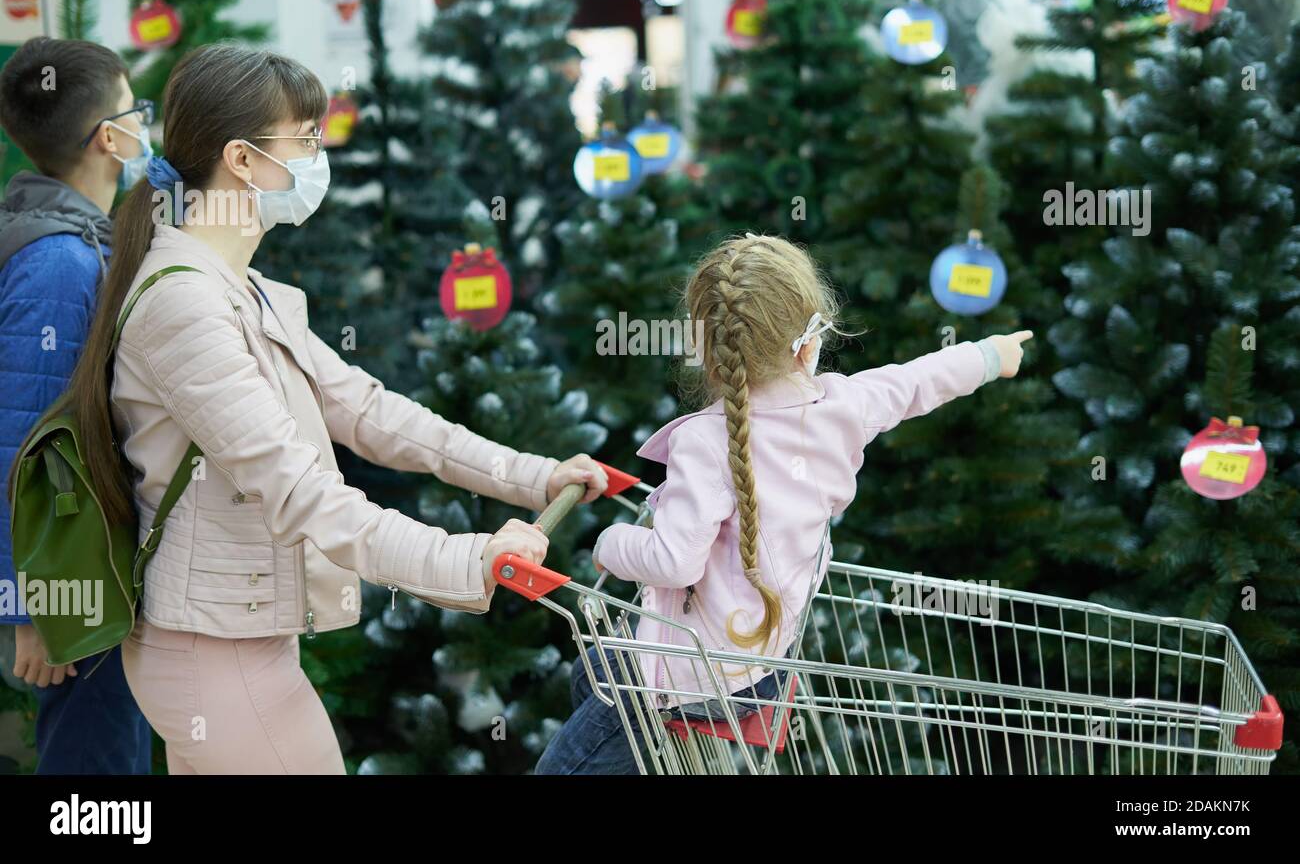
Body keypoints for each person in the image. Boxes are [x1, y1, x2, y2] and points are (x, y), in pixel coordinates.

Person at [43, 42, 607, 774]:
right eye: (305, 139)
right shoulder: (183, 303)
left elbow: (374, 414)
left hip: (234, 645)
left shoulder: (245, 289)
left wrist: (533, 476)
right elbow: (299, 490)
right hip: (216, 658)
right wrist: (468, 557)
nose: (319, 157)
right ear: (242, 160)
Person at [536, 233, 1032, 774]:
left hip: (683, 676)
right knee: (594, 670)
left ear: (707, 352)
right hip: (760, 668)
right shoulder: (845, 405)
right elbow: (916, 382)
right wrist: (990, 355)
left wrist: (609, 545)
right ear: (808, 341)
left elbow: (675, 561)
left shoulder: (706, 440)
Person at [0, 37, 154, 774]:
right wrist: (29, 611)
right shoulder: (59, 262)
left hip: (88, 560)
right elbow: (21, 442)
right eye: (135, 111)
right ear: (108, 137)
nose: (143, 125)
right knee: (95, 767)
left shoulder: (79, 241)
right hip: (72, 572)